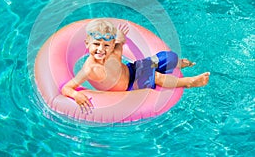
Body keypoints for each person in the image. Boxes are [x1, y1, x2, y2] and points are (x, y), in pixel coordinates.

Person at [61, 19, 210, 113]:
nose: (101, 49)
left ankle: (182, 64)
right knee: (155, 76)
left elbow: (120, 41)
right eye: (96, 44)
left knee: (165, 57)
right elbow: (66, 88)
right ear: (87, 43)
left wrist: (120, 35)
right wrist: (76, 95)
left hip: (134, 69)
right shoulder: (90, 69)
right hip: (131, 84)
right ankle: (188, 83)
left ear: (112, 44)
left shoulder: (114, 50)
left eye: (106, 45)